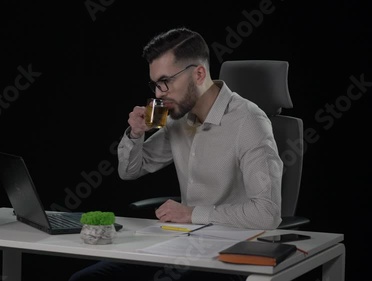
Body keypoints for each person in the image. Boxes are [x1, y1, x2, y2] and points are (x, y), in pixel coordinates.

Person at [69, 27, 283, 281]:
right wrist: (136, 134)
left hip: (231, 254)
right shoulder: (179, 118)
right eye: (155, 84)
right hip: (183, 243)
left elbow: (267, 213)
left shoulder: (249, 121)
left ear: (199, 74)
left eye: (165, 82)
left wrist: (192, 213)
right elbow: (130, 171)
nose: (158, 93)